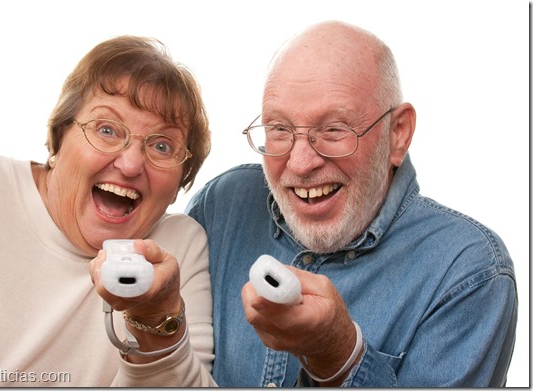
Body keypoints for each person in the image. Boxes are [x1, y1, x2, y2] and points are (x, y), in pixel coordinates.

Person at [186, 21, 517, 387]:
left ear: (398, 134)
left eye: (333, 130)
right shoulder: (223, 205)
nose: (299, 164)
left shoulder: (469, 271)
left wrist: (339, 356)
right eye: (279, 128)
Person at [0, 35, 216, 387]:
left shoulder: (179, 246)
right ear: (60, 136)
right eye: (107, 129)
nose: (132, 163)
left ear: (182, 179)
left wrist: (157, 321)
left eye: (162, 145)